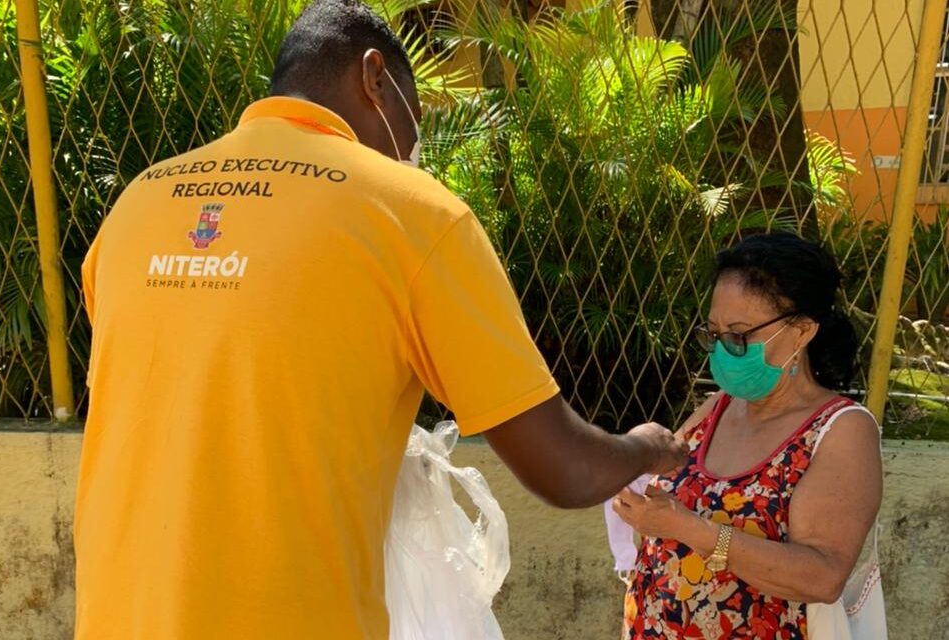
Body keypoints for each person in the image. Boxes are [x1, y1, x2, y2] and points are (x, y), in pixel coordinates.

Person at [74, 1, 687, 638]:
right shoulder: (410, 213)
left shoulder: (137, 203)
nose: (412, 145)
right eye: (412, 118)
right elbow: (564, 469)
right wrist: (647, 446)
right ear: (375, 78)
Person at [612, 232, 883, 639]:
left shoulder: (840, 430)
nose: (722, 351)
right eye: (714, 333)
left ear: (803, 331)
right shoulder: (717, 407)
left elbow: (822, 577)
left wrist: (688, 528)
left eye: (739, 336)